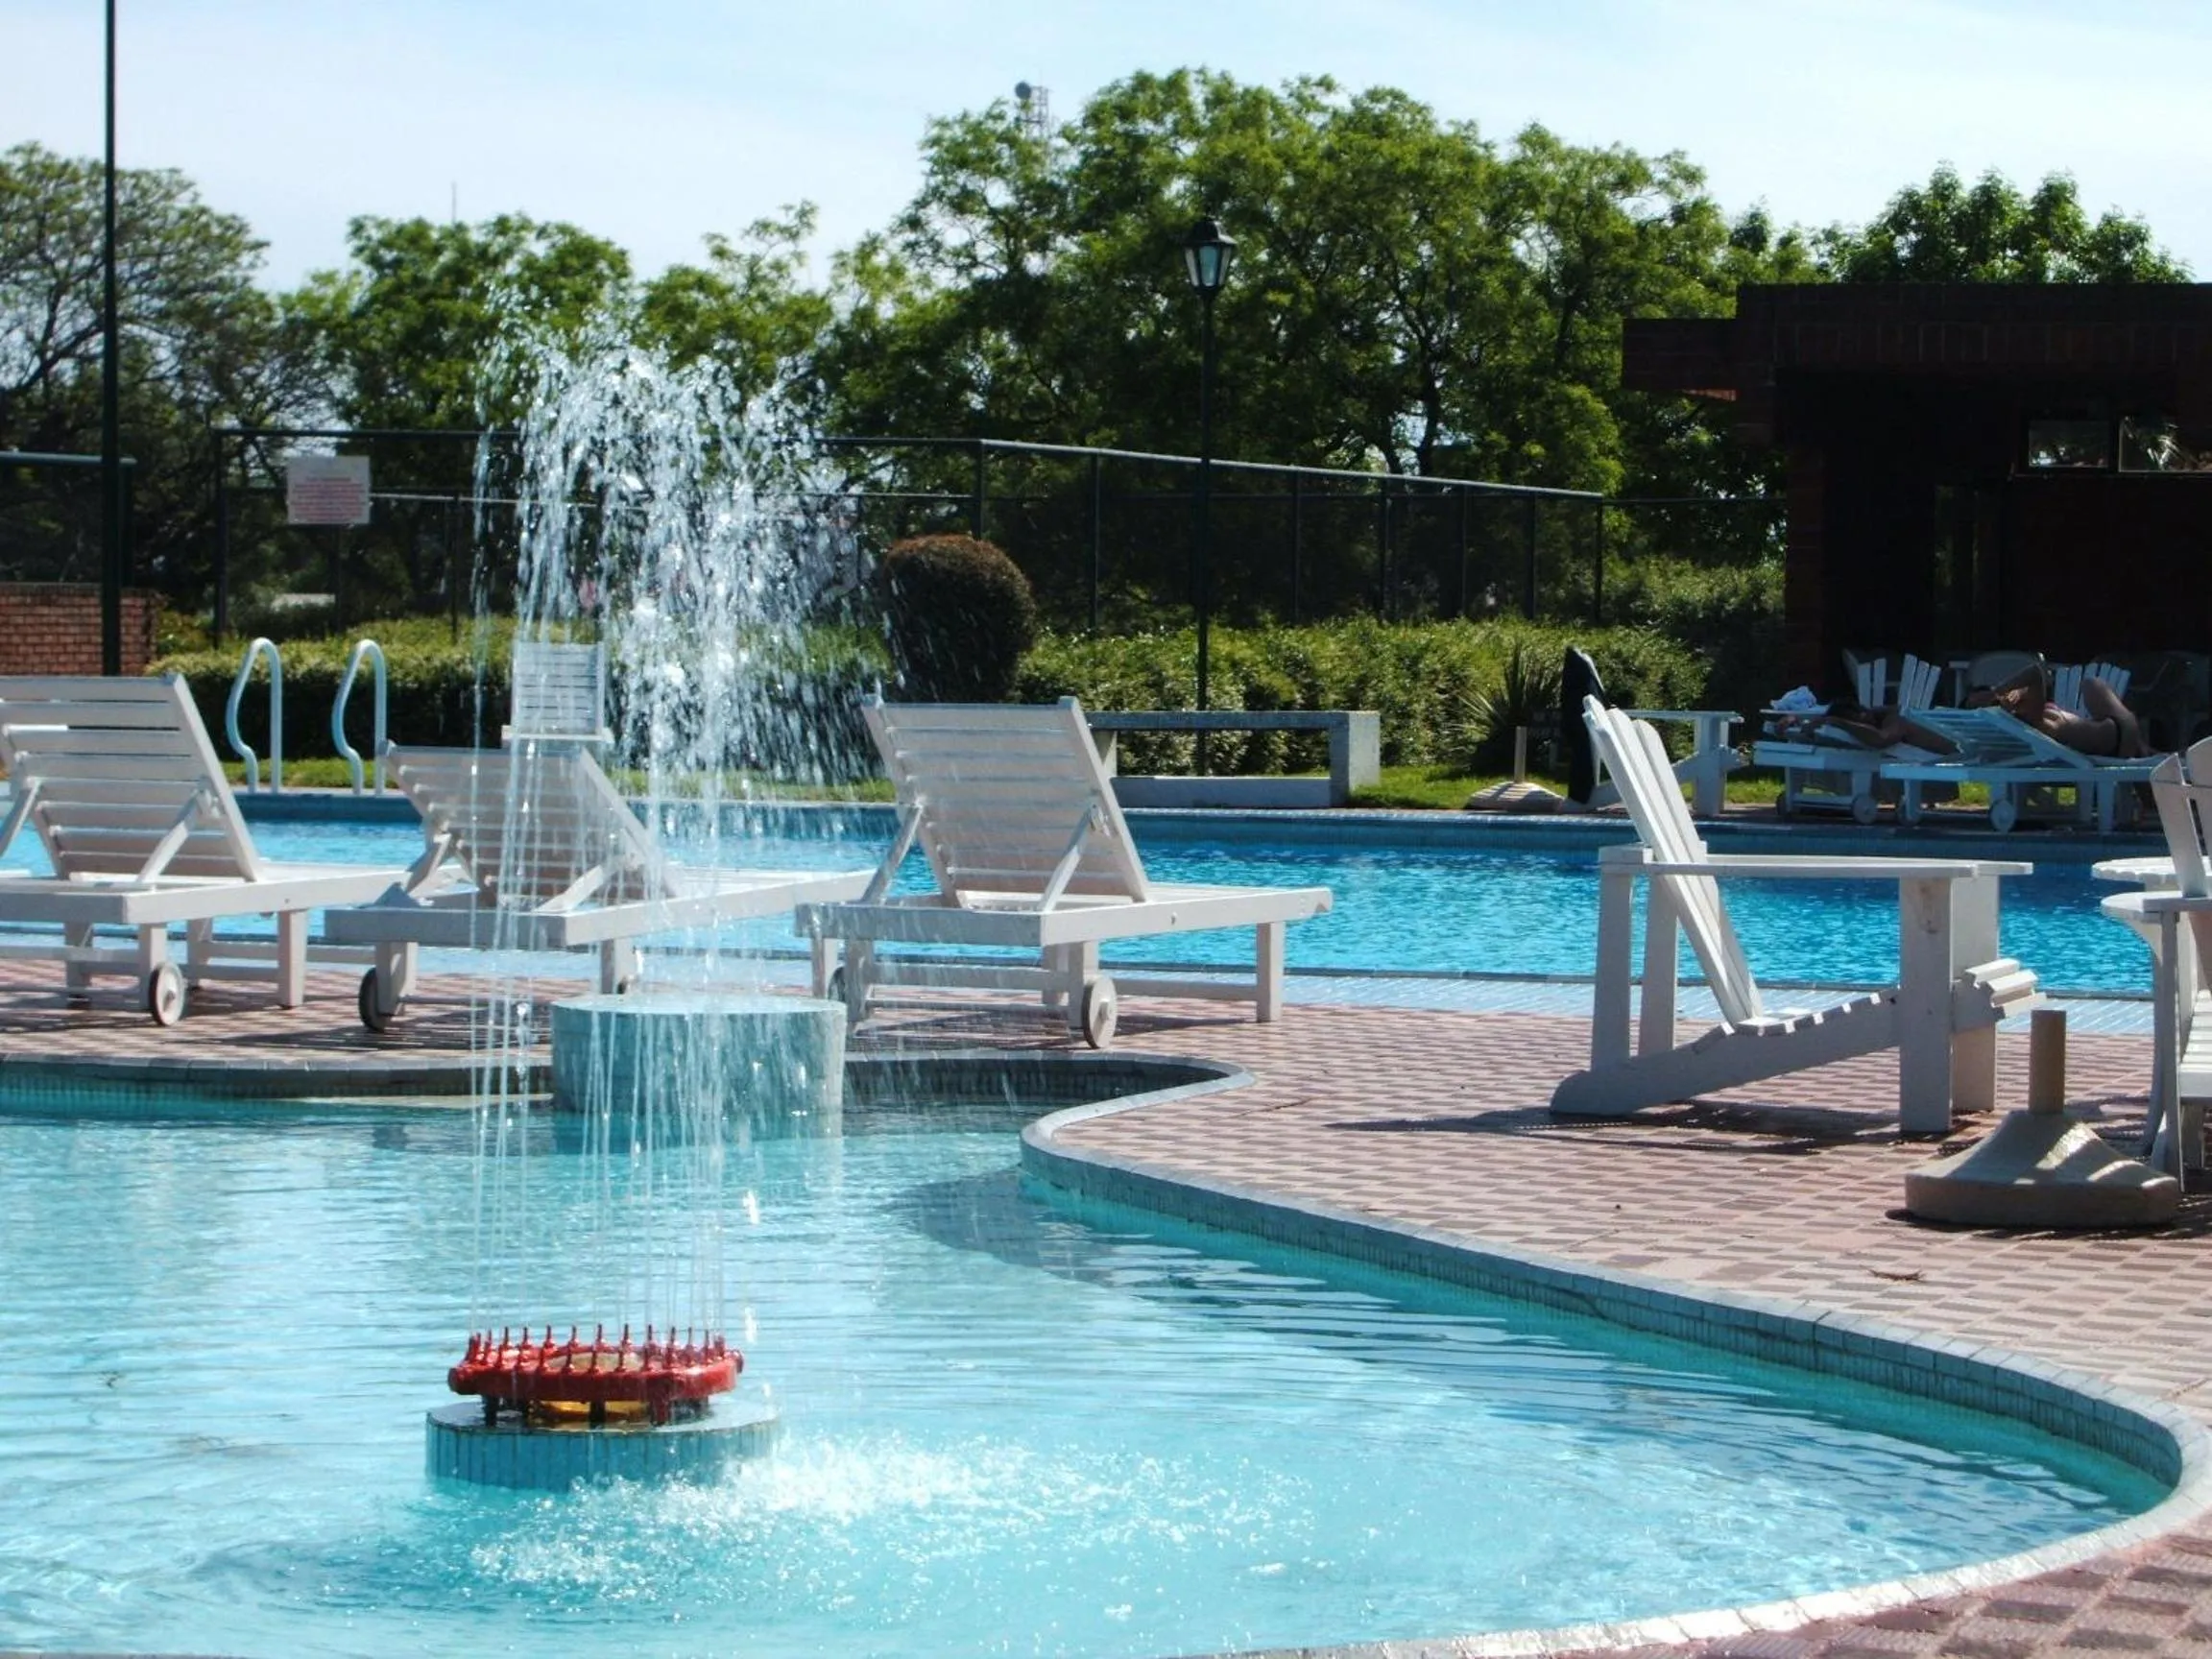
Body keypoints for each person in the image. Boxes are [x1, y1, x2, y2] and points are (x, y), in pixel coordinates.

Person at [1968, 663, 2150, 757]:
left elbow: (2034, 683)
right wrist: (1997, 691)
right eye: (1997, 701)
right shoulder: (2032, 722)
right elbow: (2036, 672)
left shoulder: (2024, 721)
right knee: (2091, 684)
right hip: (2119, 736)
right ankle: (2146, 747)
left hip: (2117, 733)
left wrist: (2017, 693)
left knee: (2091, 685)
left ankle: (2147, 749)